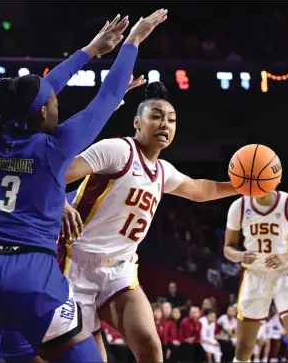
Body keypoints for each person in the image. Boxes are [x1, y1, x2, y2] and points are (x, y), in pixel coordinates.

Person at [0, 10, 167, 362]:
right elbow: (106, 96)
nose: (57, 102)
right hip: (32, 277)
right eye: (54, 102)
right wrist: (132, 43)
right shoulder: (55, 148)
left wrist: (88, 51)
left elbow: (33, 93)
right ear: (41, 113)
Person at [58, 79, 238, 361]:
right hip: (74, 263)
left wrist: (244, 185)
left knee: (150, 347)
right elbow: (57, 172)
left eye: (171, 120)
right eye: (155, 116)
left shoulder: (163, 170)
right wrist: (59, 203)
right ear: (137, 122)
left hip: (120, 268)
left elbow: (202, 190)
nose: (164, 124)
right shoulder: (117, 150)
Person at [224, 189, 288, 363]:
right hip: (254, 276)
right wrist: (240, 256)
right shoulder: (239, 206)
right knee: (243, 348)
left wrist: (286, 257)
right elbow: (228, 248)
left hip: (286, 275)